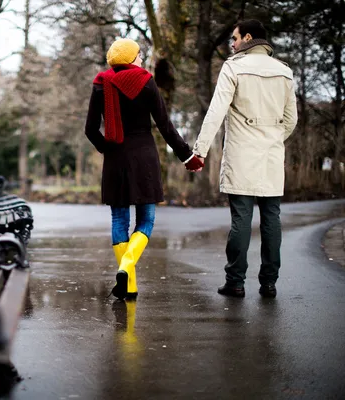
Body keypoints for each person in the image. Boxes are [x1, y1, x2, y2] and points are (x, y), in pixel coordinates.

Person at [85, 38, 204, 300]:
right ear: (130, 58)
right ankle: (127, 265)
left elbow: (90, 129)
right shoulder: (146, 81)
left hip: (115, 158)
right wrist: (187, 156)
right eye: (139, 55)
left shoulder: (101, 84)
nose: (141, 59)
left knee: (119, 220)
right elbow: (165, 125)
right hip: (144, 158)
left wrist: (107, 147)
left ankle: (129, 286)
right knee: (146, 220)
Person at [192, 19, 298, 298]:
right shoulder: (284, 72)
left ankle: (236, 281)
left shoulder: (234, 67)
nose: (232, 44)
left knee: (241, 218)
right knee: (271, 218)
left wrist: (199, 150)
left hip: (241, 154)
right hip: (271, 156)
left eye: (235, 39)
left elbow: (216, 111)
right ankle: (269, 283)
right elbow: (291, 120)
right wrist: (272, 139)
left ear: (248, 37)